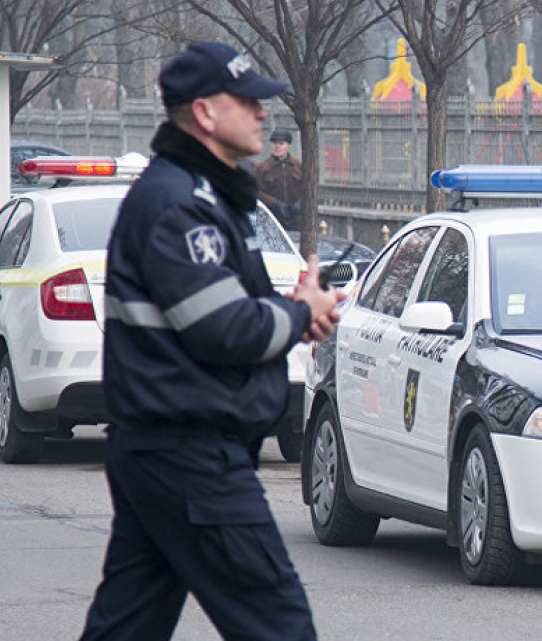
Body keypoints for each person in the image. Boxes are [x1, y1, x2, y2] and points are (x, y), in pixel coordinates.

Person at [78, 42, 342, 641]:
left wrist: (293, 311)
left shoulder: (202, 196)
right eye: (246, 102)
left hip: (165, 450)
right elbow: (225, 329)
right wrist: (300, 316)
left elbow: (230, 313)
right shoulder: (179, 205)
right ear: (203, 113)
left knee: (127, 626)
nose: (261, 114)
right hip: (190, 457)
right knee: (279, 625)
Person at [254, 127, 303, 230]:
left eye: (281, 143)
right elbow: (254, 191)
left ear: (288, 145)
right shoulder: (262, 167)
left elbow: (309, 188)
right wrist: (274, 202)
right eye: (275, 143)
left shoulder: (299, 166)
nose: (277, 146)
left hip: (297, 221)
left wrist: (301, 202)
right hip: (272, 221)